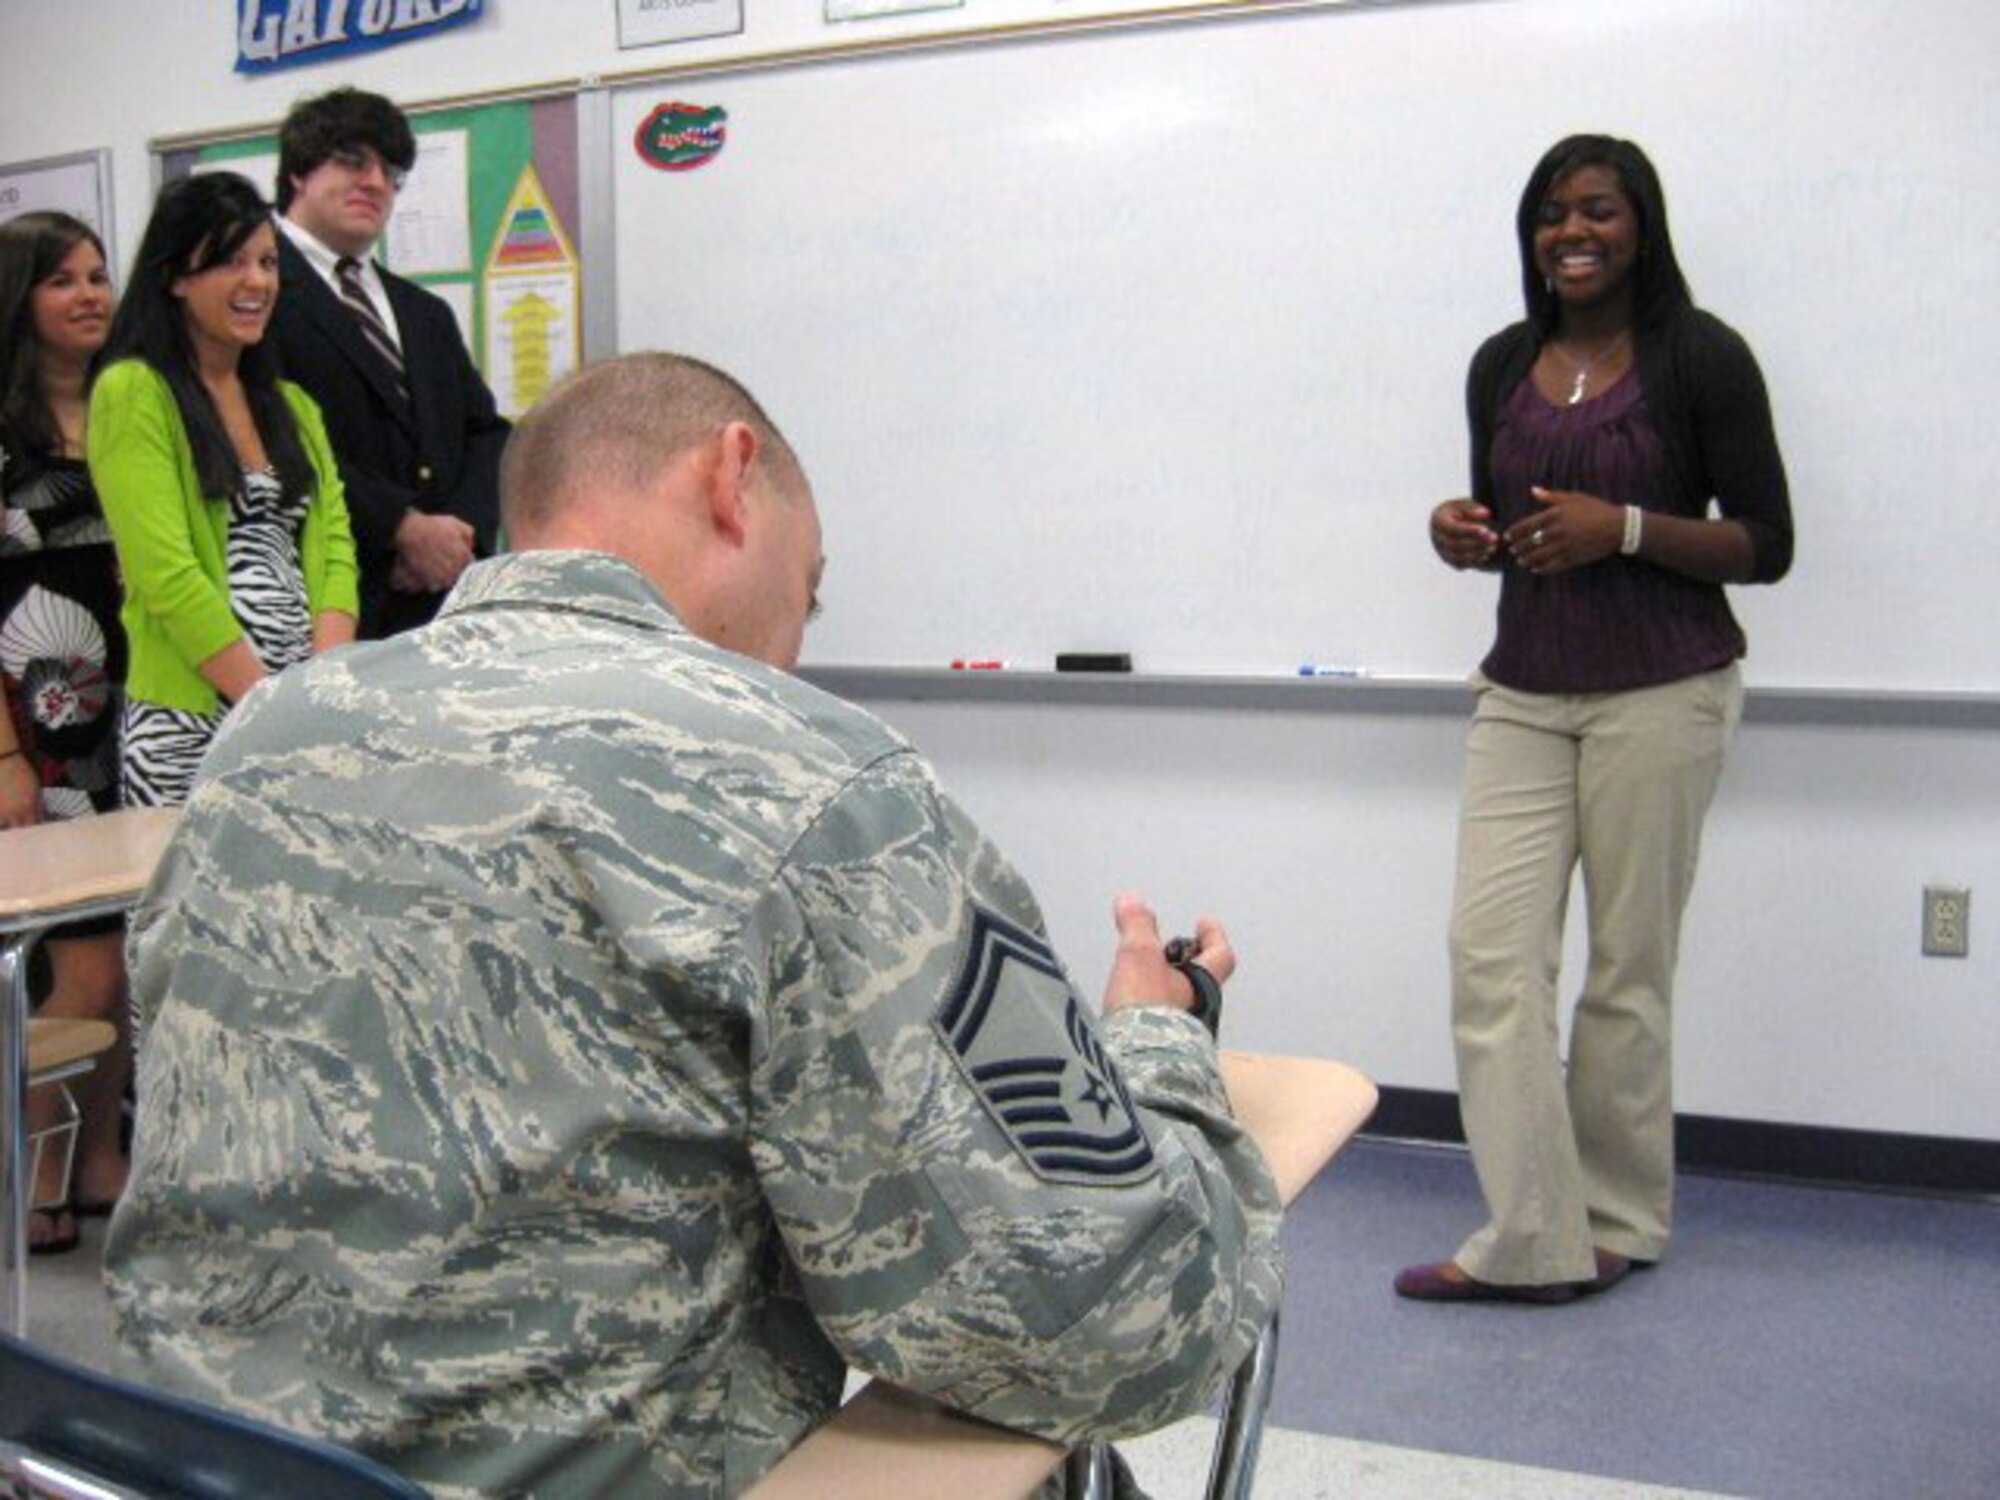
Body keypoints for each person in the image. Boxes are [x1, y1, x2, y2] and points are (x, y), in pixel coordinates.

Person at [104, 352, 1284, 1498]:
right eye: (808, 587)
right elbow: (1110, 1319)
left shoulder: (265, 738)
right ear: (733, 476)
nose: (796, 639)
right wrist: (1156, 1046)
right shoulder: (809, 773)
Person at [1397, 135, 1793, 1304]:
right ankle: (1530, 1237)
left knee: (1626, 970)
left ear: (1639, 225)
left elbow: (1765, 544)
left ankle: (1617, 1221)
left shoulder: (1700, 357)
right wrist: (1456, 533)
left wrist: (1620, 527)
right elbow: (1511, 528)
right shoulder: (1500, 363)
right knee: (1490, 962)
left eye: (1595, 212)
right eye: (1548, 215)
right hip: (1522, 689)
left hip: (1663, 693)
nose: (1570, 233)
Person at [89, 171, 358, 808]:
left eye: (267, 262)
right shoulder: (133, 392)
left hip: (296, 716)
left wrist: (313, 697)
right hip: (192, 724)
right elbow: (166, 573)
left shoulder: (293, 407)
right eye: (233, 261)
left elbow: (336, 553)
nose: (258, 282)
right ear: (177, 275)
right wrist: (268, 706)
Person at [0, 210, 130, 1253]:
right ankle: (42, 1165)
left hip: (137, 707)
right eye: (63, 281)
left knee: (126, 956)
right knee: (75, 965)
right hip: (41, 720)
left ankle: (98, 1160)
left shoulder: (132, 407)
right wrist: (3, 755)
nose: (90, 295)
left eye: (99, 276)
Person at [270, 86, 509, 639]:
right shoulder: (254, 295)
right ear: (298, 173)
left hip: (440, 607)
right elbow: (269, 438)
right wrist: (398, 527)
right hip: (321, 608)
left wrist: (455, 542)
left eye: (390, 171)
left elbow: (485, 432)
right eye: (352, 161)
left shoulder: (423, 311)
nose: (375, 182)